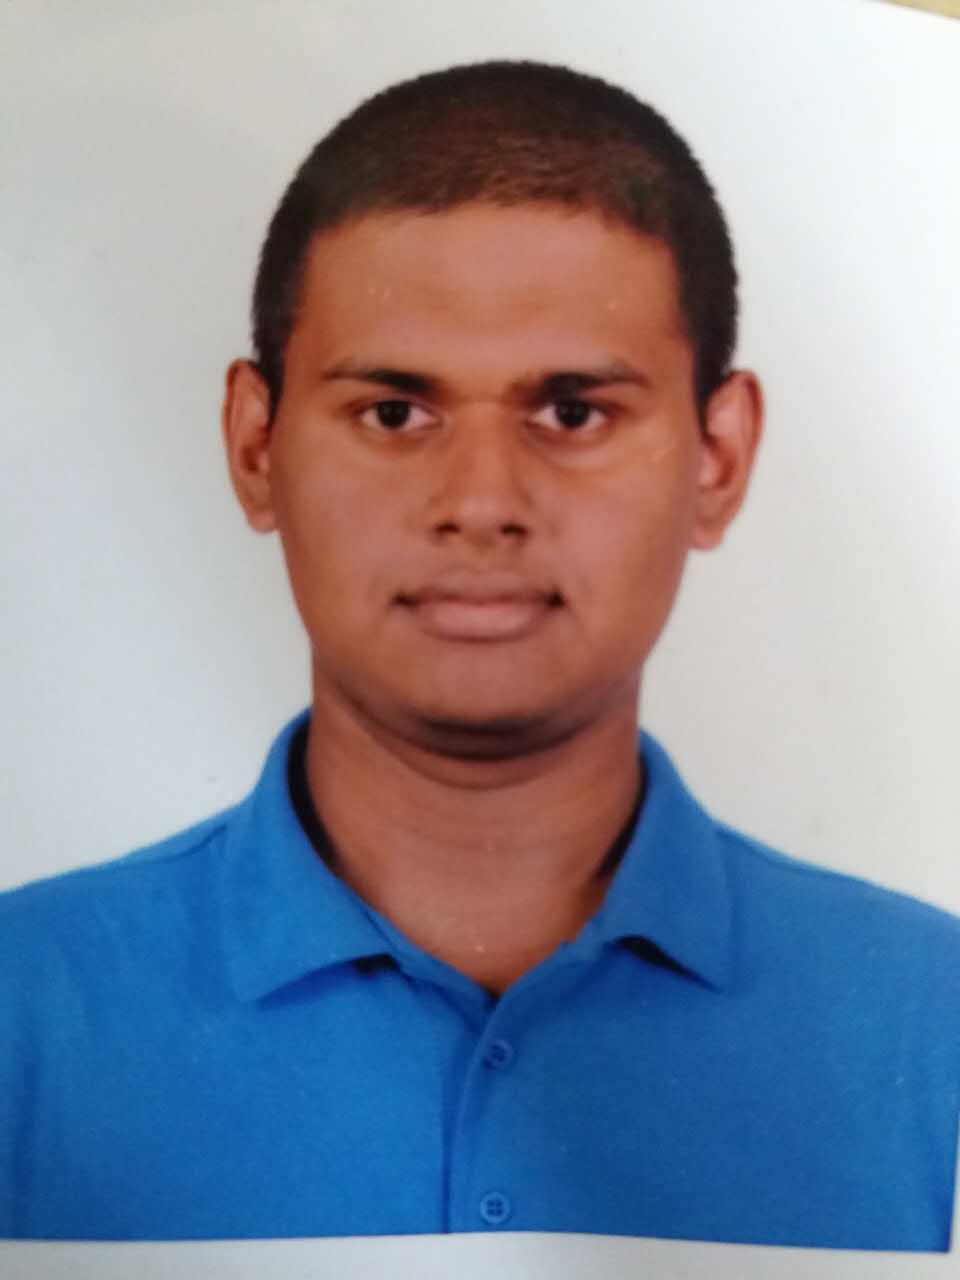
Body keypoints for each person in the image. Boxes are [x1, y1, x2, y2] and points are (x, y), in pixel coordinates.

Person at [1, 60, 957, 1251]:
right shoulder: (21, 1010)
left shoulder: (935, 1029)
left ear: (717, 457)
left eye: (572, 412)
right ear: (256, 446)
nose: (482, 503)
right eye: (394, 412)